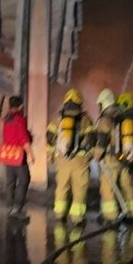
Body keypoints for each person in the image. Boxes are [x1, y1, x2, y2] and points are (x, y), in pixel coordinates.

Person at [46, 88, 95, 225]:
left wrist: (51, 154)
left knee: (62, 187)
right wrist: (90, 154)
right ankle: (77, 218)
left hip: (62, 160)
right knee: (80, 188)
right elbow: (92, 139)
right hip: (80, 161)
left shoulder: (58, 119)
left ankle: (59, 214)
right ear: (80, 103)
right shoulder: (85, 119)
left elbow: (49, 137)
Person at [93, 89, 133, 222]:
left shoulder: (105, 119)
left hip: (110, 160)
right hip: (123, 158)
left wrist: (96, 155)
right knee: (127, 187)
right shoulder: (122, 115)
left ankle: (111, 216)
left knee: (107, 188)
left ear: (104, 103)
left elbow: (102, 140)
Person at [0, 96, 35, 218]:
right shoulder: (19, 119)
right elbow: (24, 139)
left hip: (8, 155)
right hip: (18, 156)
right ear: (20, 106)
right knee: (24, 180)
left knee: (10, 182)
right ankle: (17, 208)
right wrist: (31, 154)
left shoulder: (5, 119)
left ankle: (9, 206)